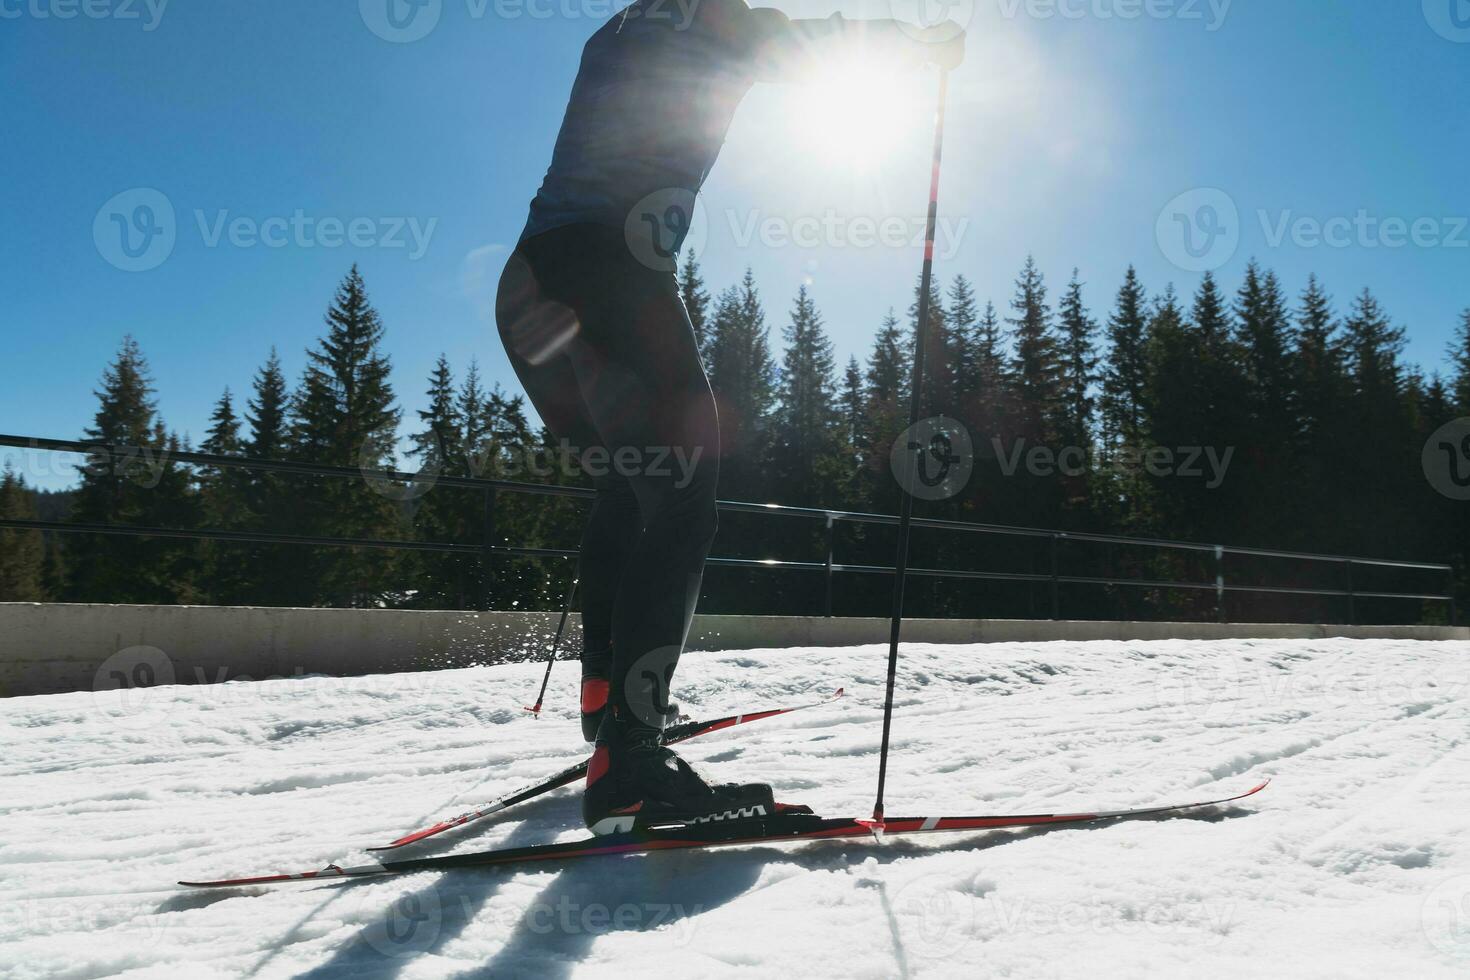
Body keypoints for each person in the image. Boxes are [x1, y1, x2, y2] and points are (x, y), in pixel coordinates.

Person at [496, 0, 964, 835]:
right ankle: (630, 766)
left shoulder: (616, 27)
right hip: (611, 273)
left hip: (530, 283)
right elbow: (819, 47)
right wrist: (917, 45)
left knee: (626, 489)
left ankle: (607, 716)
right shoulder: (719, 18)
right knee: (680, 498)